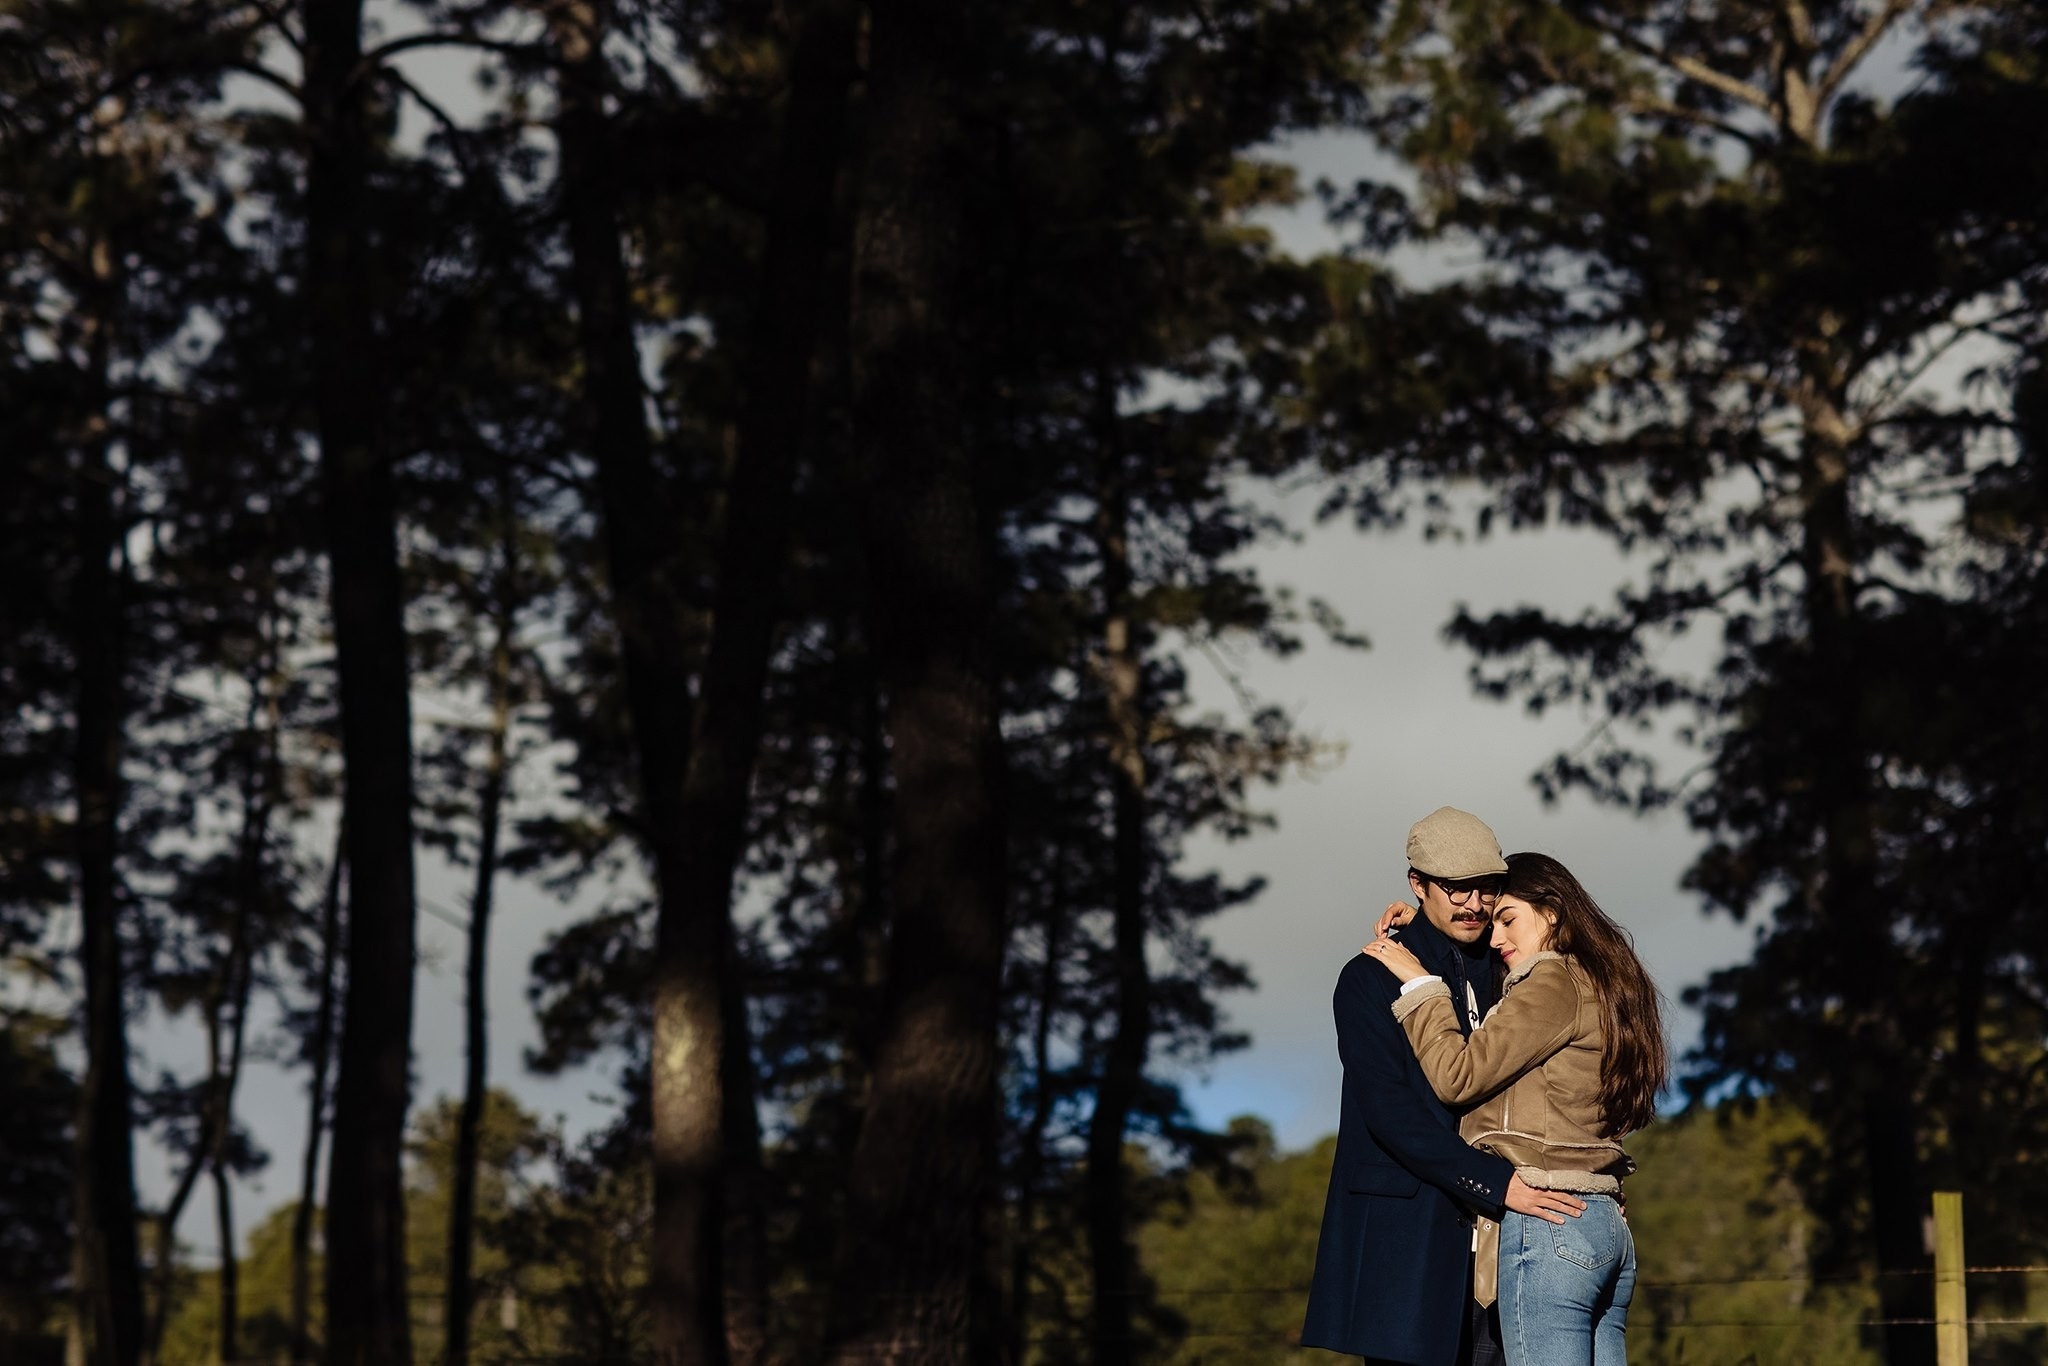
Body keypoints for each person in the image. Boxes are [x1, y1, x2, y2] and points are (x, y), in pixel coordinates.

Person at [1302, 808, 1587, 1366]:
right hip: (1406, 1250)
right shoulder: (1368, 978)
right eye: (1457, 888)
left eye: (1486, 887)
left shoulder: (1507, 965)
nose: (1475, 903)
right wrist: (1494, 1183)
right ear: (1418, 884)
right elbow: (1389, 1111)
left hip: (1511, 1244)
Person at [1362, 852, 1667, 1366]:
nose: (1496, 938)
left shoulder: (1550, 984)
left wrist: (1419, 985)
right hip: (1602, 1225)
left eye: (1508, 919)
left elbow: (1458, 1077)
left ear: (1552, 912)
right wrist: (1429, 932)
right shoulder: (1601, 985)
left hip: (1552, 1223)